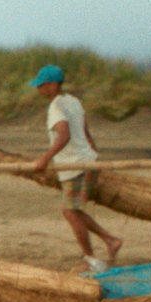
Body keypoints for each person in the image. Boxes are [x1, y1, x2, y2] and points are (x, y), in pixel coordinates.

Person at [28, 64, 124, 273]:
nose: (39, 90)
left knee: (70, 212)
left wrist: (44, 159)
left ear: (53, 85)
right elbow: (85, 131)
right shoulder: (73, 101)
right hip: (85, 161)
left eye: (42, 85)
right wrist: (94, 156)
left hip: (76, 166)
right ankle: (109, 240)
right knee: (72, 210)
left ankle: (92, 257)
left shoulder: (57, 107)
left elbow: (64, 134)